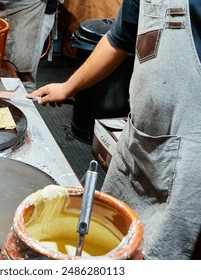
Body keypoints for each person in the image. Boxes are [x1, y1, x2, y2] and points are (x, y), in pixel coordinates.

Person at [27, 0, 201, 260]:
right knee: (107, 238)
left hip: (191, 156)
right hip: (139, 142)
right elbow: (119, 39)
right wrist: (68, 86)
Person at [0, 0, 63, 93]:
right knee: (3, 68)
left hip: (31, 8)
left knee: (23, 75)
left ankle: (25, 104)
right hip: (6, 6)